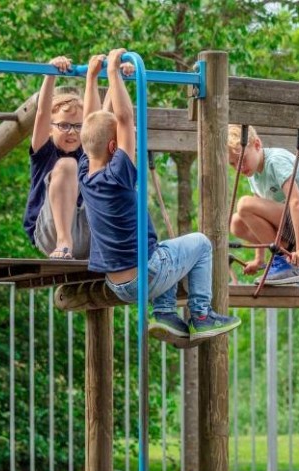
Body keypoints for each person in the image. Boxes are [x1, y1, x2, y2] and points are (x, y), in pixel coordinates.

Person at [77, 49, 240, 341]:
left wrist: (92, 78)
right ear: (116, 148)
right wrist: (113, 73)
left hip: (116, 283)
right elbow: (125, 120)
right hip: (144, 276)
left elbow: (93, 123)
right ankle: (201, 315)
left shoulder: (85, 175)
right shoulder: (118, 176)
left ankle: (164, 314)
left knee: (162, 248)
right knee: (201, 244)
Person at [21, 54, 134, 260]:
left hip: (90, 233)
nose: (72, 132)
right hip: (51, 232)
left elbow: (102, 116)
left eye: (78, 126)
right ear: (49, 129)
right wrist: (50, 73)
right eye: (64, 125)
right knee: (67, 165)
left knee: (101, 163)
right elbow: (42, 114)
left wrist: (116, 75)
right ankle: (64, 241)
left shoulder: (87, 149)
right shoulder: (44, 150)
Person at [228, 125, 299, 285]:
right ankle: (287, 257)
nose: (239, 167)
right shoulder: (253, 174)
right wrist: (259, 259)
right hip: (296, 226)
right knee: (236, 223)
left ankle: (288, 262)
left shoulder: (275, 161)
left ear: (257, 145)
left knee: (244, 204)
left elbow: (296, 202)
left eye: (242, 159)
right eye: (233, 164)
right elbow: (256, 219)